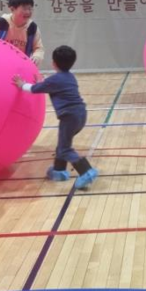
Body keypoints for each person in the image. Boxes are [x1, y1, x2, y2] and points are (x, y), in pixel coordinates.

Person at [13, 46, 98, 189]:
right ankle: (59, 171)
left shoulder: (55, 80)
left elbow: (34, 89)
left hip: (69, 117)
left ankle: (86, 171)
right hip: (81, 114)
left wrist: (21, 85)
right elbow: (49, 85)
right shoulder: (70, 77)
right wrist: (41, 83)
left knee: (65, 149)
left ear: (54, 63)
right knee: (62, 144)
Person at [0, 0, 45, 65]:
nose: (28, 12)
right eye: (24, 8)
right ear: (12, 9)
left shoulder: (32, 27)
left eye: (30, 8)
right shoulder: (0, 23)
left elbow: (38, 48)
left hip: (20, 65)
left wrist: (37, 56)